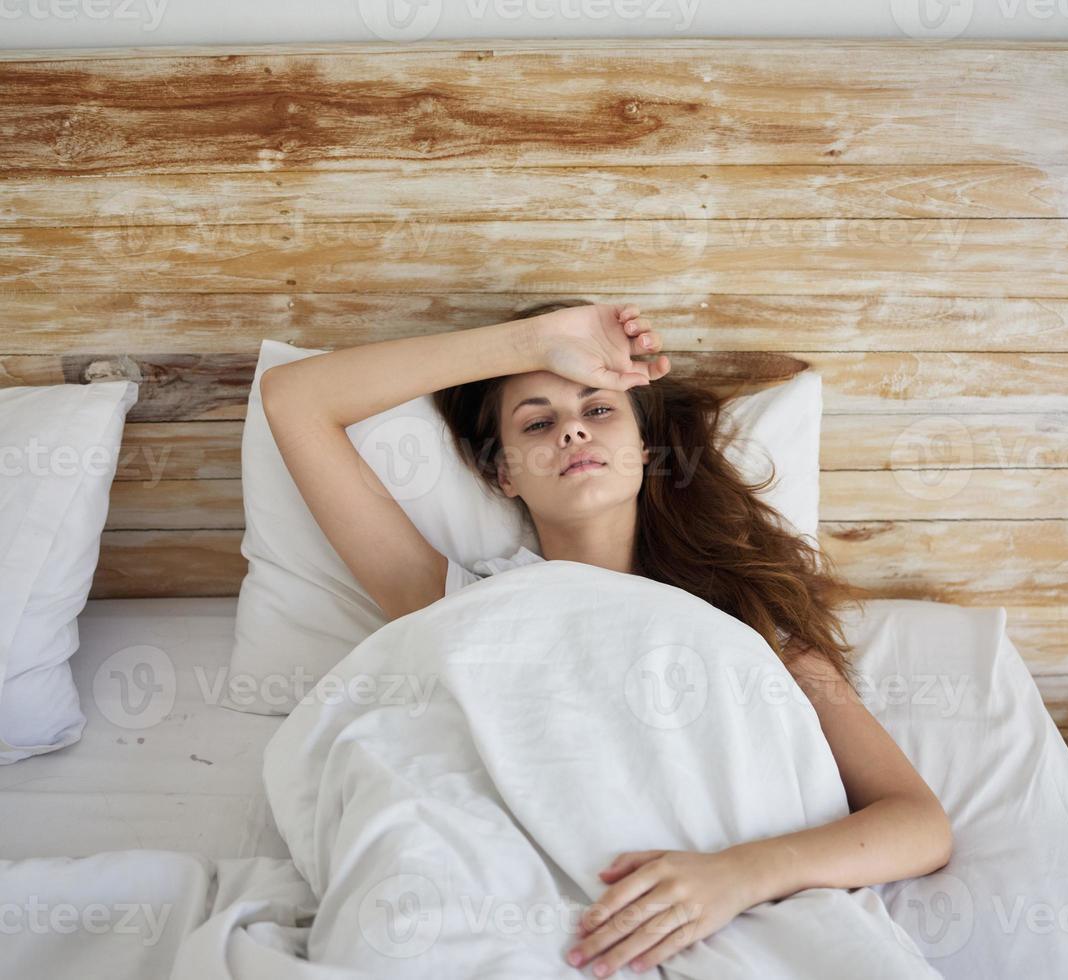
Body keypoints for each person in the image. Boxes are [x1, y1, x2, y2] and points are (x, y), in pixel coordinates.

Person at [259, 301, 952, 977]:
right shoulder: (461, 607)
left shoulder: (749, 622)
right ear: (502, 473)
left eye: (597, 409)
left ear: (644, 450)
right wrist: (535, 344)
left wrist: (736, 876)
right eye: (537, 423)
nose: (571, 432)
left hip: (717, 899)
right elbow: (295, 398)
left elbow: (918, 824)